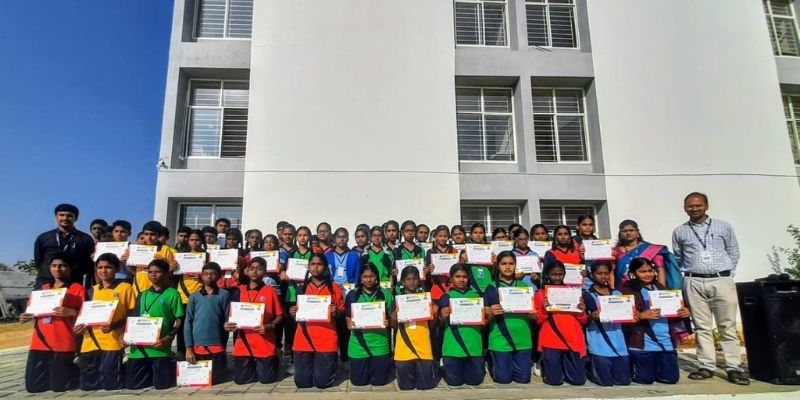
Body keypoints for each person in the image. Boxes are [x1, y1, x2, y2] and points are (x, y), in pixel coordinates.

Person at [671, 192, 748, 385]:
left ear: (706, 206)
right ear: (684, 208)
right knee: (701, 327)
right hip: (694, 281)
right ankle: (706, 365)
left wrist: (727, 274)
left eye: (698, 205)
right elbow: (678, 257)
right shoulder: (679, 231)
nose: (694, 209)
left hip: (721, 279)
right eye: (690, 206)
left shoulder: (723, 226)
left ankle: (733, 367)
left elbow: (733, 251)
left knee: (727, 326)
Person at [620, 257, 691, 385]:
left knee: (670, 379)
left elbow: (671, 313)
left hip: (665, 341)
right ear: (633, 273)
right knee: (646, 379)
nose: (648, 274)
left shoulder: (660, 287)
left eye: (650, 271)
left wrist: (683, 312)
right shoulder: (627, 289)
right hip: (642, 343)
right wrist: (641, 316)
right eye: (642, 271)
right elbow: (620, 314)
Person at [21, 253, 84, 392]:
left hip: (63, 342)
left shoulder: (77, 288)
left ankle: (79, 368)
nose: (57, 269)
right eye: (54, 266)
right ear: (49, 268)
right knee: (33, 387)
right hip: (40, 342)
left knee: (59, 387)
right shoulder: (42, 289)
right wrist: (25, 317)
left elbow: (87, 314)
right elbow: (31, 310)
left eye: (62, 266)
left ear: (70, 268)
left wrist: (72, 312)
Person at [75, 254, 136, 391]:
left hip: (112, 341)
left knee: (111, 385)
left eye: (108, 267)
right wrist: (78, 328)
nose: (103, 270)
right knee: (88, 387)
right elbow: (83, 316)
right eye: (100, 267)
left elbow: (132, 314)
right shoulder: (91, 291)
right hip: (90, 342)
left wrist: (119, 329)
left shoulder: (125, 288)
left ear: (116, 269)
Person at [286, 254, 345, 389]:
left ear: (325, 267)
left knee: (322, 383)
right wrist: (292, 312)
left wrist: (336, 312)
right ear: (308, 266)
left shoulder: (333, 287)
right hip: (303, 339)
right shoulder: (301, 288)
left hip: (326, 338)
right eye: (313, 264)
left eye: (319, 264)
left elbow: (341, 312)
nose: (316, 267)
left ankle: (330, 367)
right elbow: (297, 312)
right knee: (302, 383)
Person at [125, 259, 184, 390]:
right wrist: (127, 337)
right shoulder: (142, 294)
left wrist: (169, 337)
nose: (153, 275)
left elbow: (179, 319)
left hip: (160, 347)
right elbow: (134, 318)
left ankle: (173, 362)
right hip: (139, 349)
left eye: (157, 272)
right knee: (132, 385)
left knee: (162, 386)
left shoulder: (173, 294)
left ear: (167, 274)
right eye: (150, 272)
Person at [226, 257, 284, 384]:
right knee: (241, 381)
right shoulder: (238, 291)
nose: (255, 272)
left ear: (265, 272)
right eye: (251, 268)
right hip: (243, 342)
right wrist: (227, 324)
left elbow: (280, 316)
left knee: (266, 380)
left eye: (259, 269)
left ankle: (274, 358)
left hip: (264, 341)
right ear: (247, 271)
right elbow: (230, 315)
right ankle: (253, 366)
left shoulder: (270, 291)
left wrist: (269, 326)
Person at [484, 251, 537, 384]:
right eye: (504, 264)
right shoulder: (491, 287)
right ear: (498, 266)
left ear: (515, 265)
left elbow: (534, 316)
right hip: (500, 339)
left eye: (511, 263)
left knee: (523, 379)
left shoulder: (524, 287)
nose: (507, 267)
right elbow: (483, 319)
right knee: (503, 379)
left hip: (523, 339)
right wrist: (490, 313)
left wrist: (533, 315)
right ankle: (489, 359)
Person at [534, 261, 588, 386]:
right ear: (547, 275)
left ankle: (561, 366)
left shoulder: (573, 292)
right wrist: (544, 310)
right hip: (551, 339)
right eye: (553, 274)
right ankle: (543, 363)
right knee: (554, 381)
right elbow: (538, 321)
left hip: (572, 339)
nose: (557, 277)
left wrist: (582, 311)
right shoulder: (540, 294)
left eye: (560, 274)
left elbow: (584, 320)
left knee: (578, 381)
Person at [582, 260, 631, 386]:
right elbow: (583, 320)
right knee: (605, 382)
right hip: (598, 342)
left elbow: (627, 316)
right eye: (599, 273)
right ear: (592, 274)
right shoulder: (586, 295)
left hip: (618, 342)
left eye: (606, 273)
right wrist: (592, 317)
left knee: (623, 381)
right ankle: (588, 369)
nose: (603, 276)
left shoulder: (617, 294)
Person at [437, 264, 488, 386]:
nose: (461, 280)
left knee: (475, 381)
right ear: (451, 279)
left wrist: (487, 316)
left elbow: (484, 325)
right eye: (457, 276)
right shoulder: (446, 297)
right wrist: (441, 316)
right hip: (453, 348)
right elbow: (438, 325)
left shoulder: (477, 297)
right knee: (454, 382)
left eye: (464, 277)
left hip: (473, 347)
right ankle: (442, 365)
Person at [345, 263, 395, 386]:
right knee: (358, 382)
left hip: (380, 344)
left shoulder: (386, 294)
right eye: (365, 277)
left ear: (376, 277)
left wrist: (389, 321)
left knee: (379, 382)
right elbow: (347, 317)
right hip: (358, 345)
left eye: (372, 276)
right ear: (361, 278)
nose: (368, 280)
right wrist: (349, 323)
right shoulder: (352, 294)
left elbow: (394, 319)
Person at [391, 266, 438, 390]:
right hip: (404, 346)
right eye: (408, 279)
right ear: (403, 281)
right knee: (406, 387)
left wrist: (435, 314)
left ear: (419, 280)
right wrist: (393, 319)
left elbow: (432, 325)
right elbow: (393, 327)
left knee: (425, 386)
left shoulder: (426, 299)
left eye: (414, 279)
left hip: (423, 345)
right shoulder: (398, 301)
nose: (412, 282)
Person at [184, 262, 231, 385]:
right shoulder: (194, 297)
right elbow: (188, 322)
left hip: (217, 344)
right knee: (199, 381)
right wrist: (189, 348)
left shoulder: (224, 295)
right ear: (201, 276)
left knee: (218, 381)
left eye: (212, 274)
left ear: (219, 276)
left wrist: (228, 325)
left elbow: (228, 318)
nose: (209, 276)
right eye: (206, 274)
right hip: (197, 346)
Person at [33, 203, 95, 289]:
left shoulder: (85, 239)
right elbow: (38, 261)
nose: (65, 218)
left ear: (76, 218)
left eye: (69, 216)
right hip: (47, 282)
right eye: (61, 215)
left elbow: (89, 264)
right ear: (56, 216)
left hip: (74, 283)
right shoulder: (43, 238)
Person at [615, 220, 682, 290]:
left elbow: (660, 269)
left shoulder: (651, 249)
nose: (628, 233)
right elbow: (611, 273)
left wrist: (660, 290)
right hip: (622, 289)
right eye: (625, 231)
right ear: (620, 233)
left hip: (646, 289)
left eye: (631, 230)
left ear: (637, 232)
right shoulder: (615, 251)